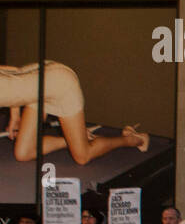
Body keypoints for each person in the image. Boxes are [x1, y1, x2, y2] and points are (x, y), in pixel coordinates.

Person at [2, 61, 148, 164]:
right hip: (39, 85)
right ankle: (75, 139)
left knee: (83, 156)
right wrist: (15, 116)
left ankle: (135, 139)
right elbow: (13, 71)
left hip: (61, 85)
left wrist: (15, 116)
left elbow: (11, 73)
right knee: (23, 153)